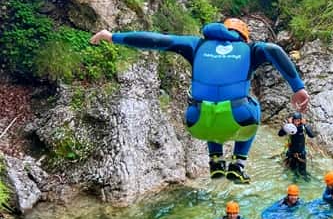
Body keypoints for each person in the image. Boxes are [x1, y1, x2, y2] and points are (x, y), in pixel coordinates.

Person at [90, 18, 309, 184]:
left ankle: (215, 160)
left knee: (209, 109)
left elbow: (156, 40)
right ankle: (238, 164)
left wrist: (112, 36)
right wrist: (298, 88)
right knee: (252, 105)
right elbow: (273, 50)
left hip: (196, 122)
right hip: (239, 118)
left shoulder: (196, 45)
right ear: (244, 36)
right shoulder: (251, 49)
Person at [278, 111, 315, 177]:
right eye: (295, 121)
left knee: (303, 173)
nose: (297, 123)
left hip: (301, 154)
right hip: (291, 154)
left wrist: (306, 124)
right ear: (292, 120)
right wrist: (287, 125)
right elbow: (280, 134)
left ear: (301, 120)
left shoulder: (303, 127)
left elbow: (312, 135)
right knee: (292, 171)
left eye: (298, 121)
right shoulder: (289, 127)